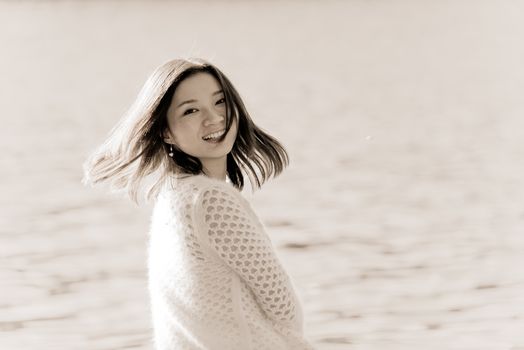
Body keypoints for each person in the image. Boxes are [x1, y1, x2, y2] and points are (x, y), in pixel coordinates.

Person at [83, 58, 314, 349]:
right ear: (165, 131)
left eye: (220, 102)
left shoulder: (172, 197)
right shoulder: (209, 201)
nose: (214, 118)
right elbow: (283, 305)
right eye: (191, 110)